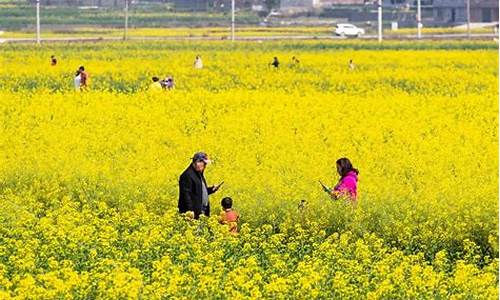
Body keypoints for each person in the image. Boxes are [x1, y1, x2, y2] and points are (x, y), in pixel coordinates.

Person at [178, 152, 222, 219]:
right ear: (197, 162)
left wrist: (211, 189)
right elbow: (186, 195)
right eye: (204, 164)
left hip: (201, 211)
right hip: (194, 214)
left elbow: (198, 191)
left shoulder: (198, 173)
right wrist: (190, 211)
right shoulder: (187, 175)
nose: (205, 166)